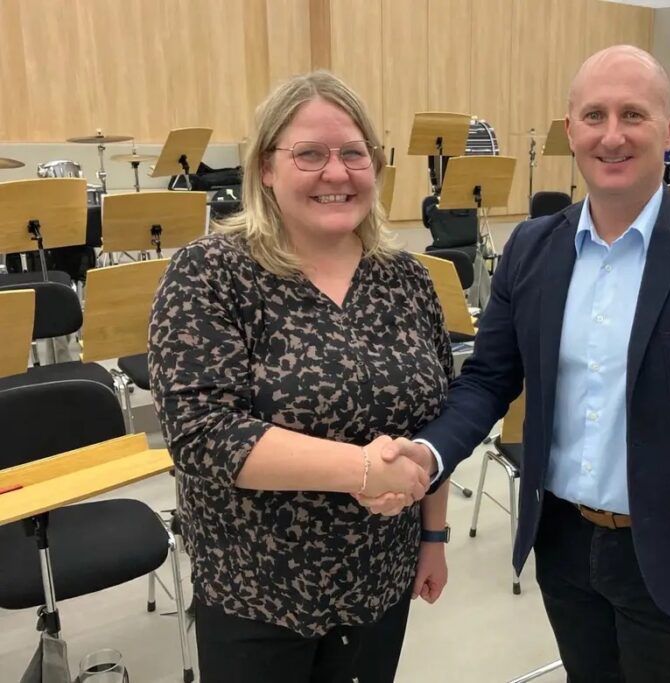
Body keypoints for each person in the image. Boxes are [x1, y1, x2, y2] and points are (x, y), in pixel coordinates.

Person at [362, 46, 670, 681]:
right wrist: (429, 454)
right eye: (595, 116)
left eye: (634, 114)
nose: (612, 135)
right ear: (570, 129)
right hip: (564, 544)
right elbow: (489, 379)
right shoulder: (531, 247)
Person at [148, 70, 451, 683]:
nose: (337, 173)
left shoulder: (408, 279)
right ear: (265, 167)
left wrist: (434, 537)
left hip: (381, 582)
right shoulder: (210, 273)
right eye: (310, 154)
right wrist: (362, 470)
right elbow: (204, 434)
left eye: (354, 153)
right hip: (258, 592)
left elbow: (435, 419)